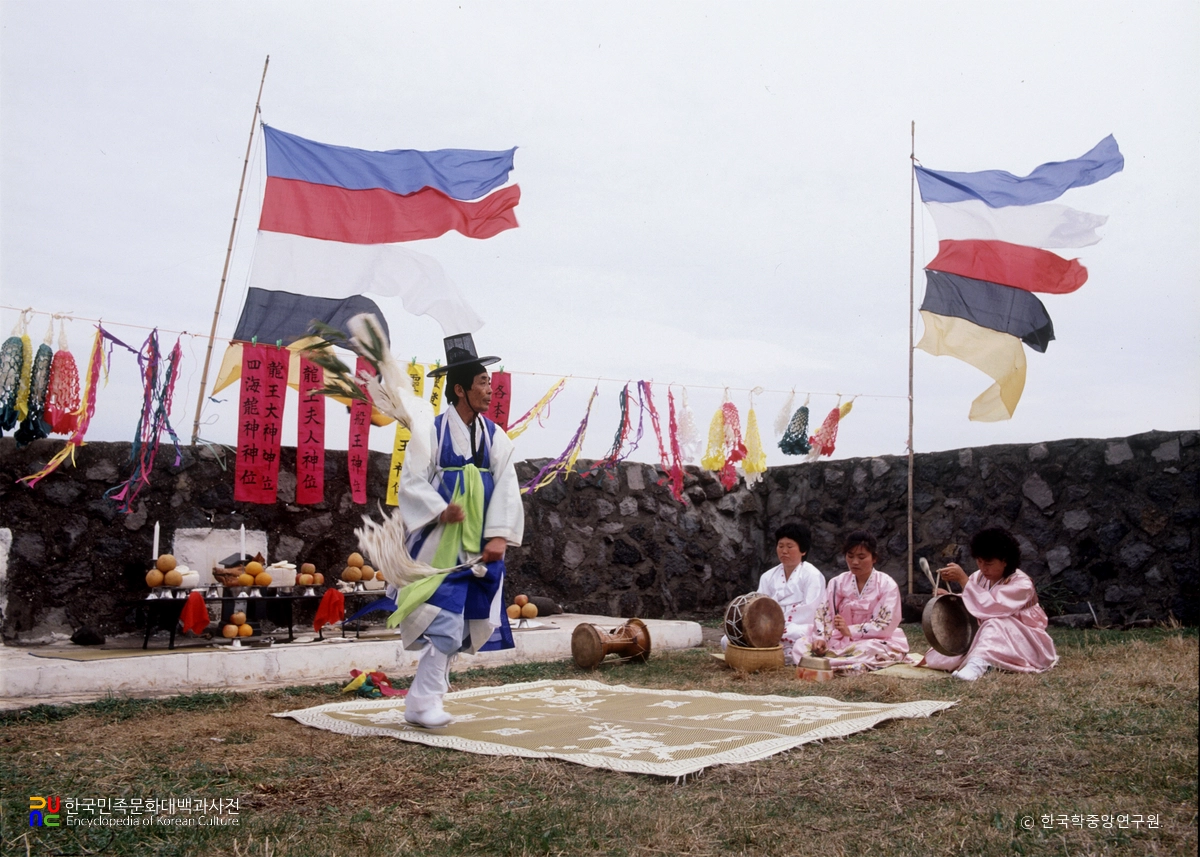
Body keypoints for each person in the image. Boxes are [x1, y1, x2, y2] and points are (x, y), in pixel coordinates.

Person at [393, 333, 525, 728]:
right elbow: (411, 482)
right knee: (445, 620)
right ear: (460, 390)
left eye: (488, 381)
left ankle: (423, 701)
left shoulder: (493, 436)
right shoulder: (430, 432)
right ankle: (422, 701)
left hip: (478, 543)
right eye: (482, 382)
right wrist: (438, 509)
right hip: (439, 543)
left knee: (465, 620)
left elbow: (506, 484)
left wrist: (499, 534)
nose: (489, 389)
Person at [921, 527, 1058, 681]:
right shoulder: (979, 577)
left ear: (1005, 561)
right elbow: (974, 601)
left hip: (1026, 639)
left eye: (988, 563)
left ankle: (977, 665)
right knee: (940, 657)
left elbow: (993, 607)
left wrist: (963, 581)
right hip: (989, 635)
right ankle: (986, 661)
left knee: (994, 623)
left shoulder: (1022, 583)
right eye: (979, 561)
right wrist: (951, 597)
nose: (982, 567)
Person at [795, 530, 908, 674]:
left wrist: (851, 631)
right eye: (850, 556)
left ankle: (829, 663)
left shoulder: (886, 584)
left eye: (861, 557)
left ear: (874, 558)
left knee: (869, 649)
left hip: (872, 640)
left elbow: (885, 624)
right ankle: (844, 664)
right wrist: (821, 638)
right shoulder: (837, 582)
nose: (855, 562)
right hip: (838, 638)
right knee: (800, 645)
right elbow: (824, 613)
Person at [722, 522, 825, 664]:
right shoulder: (768, 576)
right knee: (727, 640)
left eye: (790, 546)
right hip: (766, 625)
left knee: (798, 635)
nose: (784, 551)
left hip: (795, 626)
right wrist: (761, 625)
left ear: (803, 550)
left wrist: (778, 625)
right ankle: (768, 651)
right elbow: (757, 605)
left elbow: (810, 610)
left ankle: (767, 653)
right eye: (780, 546)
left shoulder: (812, 575)